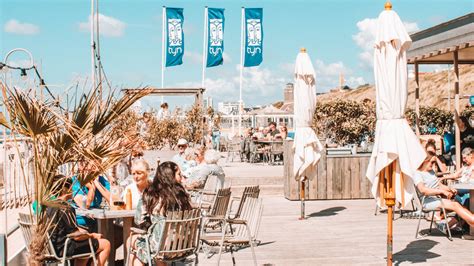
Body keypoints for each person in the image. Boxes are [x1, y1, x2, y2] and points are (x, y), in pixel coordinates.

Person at [128, 161, 192, 266]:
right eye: (179, 174)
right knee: (140, 252)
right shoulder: (182, 196)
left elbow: (138, 220)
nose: (182, 177)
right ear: (171, 176)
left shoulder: (151, 194)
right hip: (183, 245)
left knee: (132, 241)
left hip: (160, 246)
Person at [47, 175, 111, 266]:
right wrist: (92, 235)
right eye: (71, 188)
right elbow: (76, 236)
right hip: (65, 248)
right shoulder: (66, 208)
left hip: (53, 247)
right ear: (65, 190)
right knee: (106, 244)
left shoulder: (49, 206)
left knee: (84, 249)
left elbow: (70, 229)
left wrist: (86, 233)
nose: (73, 190)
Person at [414, 153, 474, 231]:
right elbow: (423, 190)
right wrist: (442, 191)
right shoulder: (417, 174)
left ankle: (467, 226)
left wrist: (449, 188)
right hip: (427, 201)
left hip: (437, 198)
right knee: (456, 205)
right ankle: (472, 222)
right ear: (424, 161)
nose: (433, 165)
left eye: (434, 162)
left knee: (464, 204)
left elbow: (439, 185)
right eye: (431, 162)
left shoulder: (431, 171)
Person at [72, 161, 111, 232]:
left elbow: (112, 201)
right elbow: (86, 205)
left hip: (98, 221)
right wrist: (92, 187)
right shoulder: (74, 181)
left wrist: (97, 184)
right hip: (80, 225)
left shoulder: (101, 180)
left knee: (117, 232)